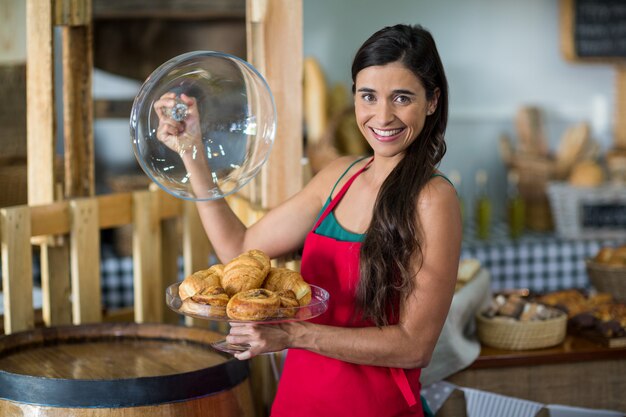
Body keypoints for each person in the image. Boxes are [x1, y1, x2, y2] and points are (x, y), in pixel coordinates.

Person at [156, 23, 461, 417]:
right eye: (368, 96)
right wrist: (192, 150)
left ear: (432, 101)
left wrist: (292, 334)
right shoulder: (338, 177)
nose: (382, 116)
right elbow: (240, 248)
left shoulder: (434, 198)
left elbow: (414, 346)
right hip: (298, 400)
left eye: (402, 98)